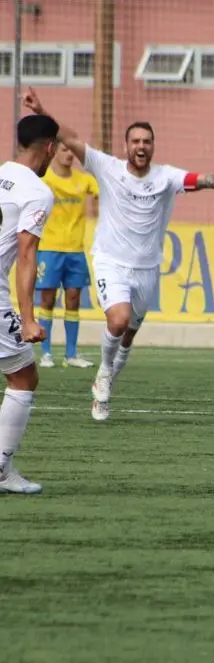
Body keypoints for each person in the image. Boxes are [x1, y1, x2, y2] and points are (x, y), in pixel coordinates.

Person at [22, 87, 214, 422]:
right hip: (111, 261)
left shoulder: (168, 177)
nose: (141, 147)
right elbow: (68, 137)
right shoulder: (107, 167)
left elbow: (209, 180)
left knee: (129, 335)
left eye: (147, 141)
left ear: (152, 146)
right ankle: (103, 373)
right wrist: (42, 108)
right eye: (136, 141)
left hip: (146, 269)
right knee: (117, 319)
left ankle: (107, 388)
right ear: (127, 146)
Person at [0, 114, 60, 494]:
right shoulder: (37, 191)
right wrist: (28, 319)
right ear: (50, 148)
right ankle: (1, 469)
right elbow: (27, 252)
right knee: (24, 376)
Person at [37, 141, 100, 368]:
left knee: (73, 300)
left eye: (72, 150)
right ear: (54, 153)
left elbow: (105, 193)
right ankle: (46, 353)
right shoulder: (44, 181)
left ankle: (71, 355)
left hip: (75, 251)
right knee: (48, 300)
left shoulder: (84, 180)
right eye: (65, 150)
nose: (70, 155)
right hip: (49, 249)